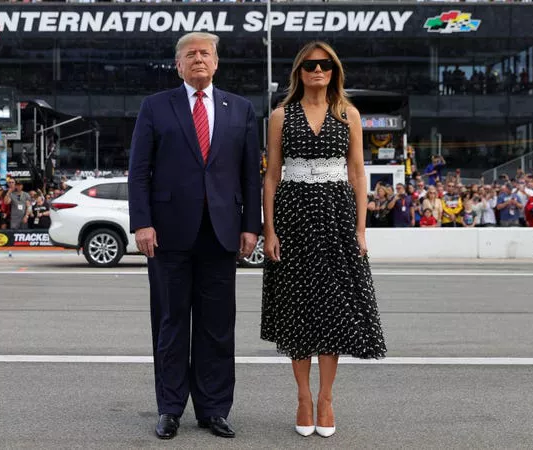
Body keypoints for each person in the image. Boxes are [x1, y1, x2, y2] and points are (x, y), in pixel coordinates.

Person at [128, 32, 261, 440]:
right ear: (179, 64)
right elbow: (139, 170)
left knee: (217, 327)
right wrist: (142, 223)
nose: (199, 59)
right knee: (170, 324)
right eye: (191, 54)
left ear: (217, 63)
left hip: (221, 234)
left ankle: (214, 409)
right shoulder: (155, 107)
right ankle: (170, 408)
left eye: (206, 53)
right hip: (167, 235)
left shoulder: (240, 108)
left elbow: (249, 176)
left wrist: (251, 225)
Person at [261, 41, 386, 439]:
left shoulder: (348, 113)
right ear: (299, 71)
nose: (318, 71)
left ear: (334, 71)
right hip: (293, 218)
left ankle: (327, 398)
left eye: (326, 65)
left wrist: (361, 230)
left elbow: (358, 173)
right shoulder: (281, 116)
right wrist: (270, 229)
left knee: (332, 311)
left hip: (336, 219)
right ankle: (302, 396)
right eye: (311, 65)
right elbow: (272, 176)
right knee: (298, 310)